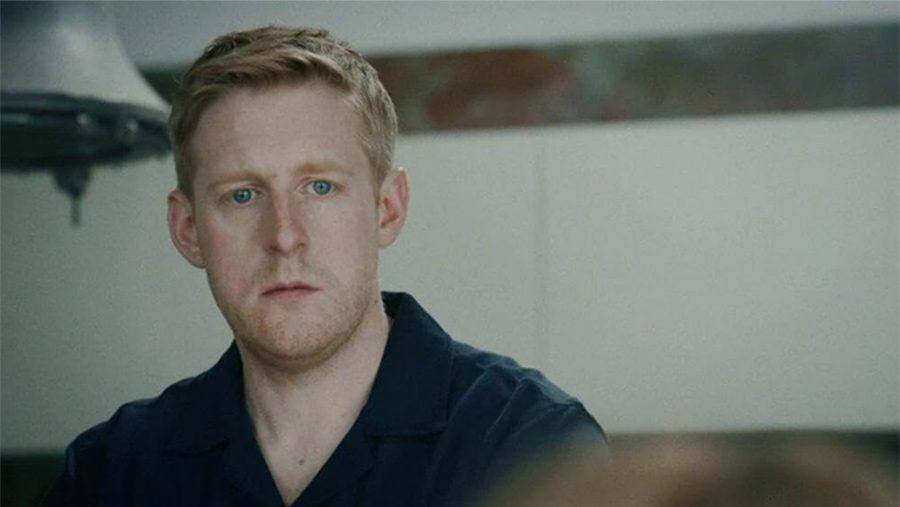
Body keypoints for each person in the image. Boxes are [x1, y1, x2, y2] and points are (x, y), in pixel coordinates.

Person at [43, 26, 604, 507]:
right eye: (242, 195)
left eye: (320, 187)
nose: (285, 237)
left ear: (387, 209)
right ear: (188, 229)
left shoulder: (532, 449)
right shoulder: (110, 472)